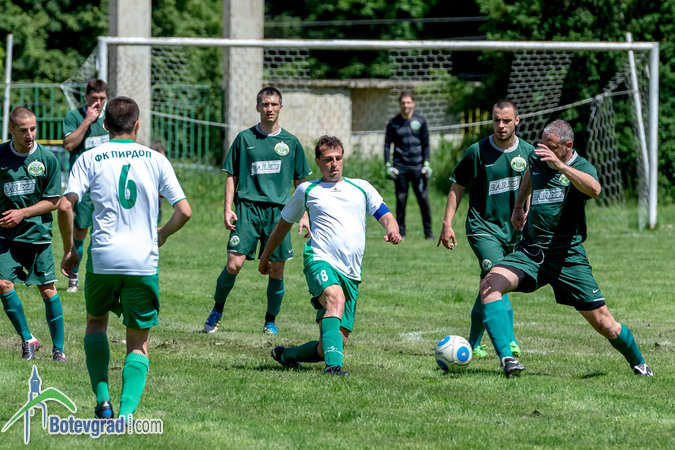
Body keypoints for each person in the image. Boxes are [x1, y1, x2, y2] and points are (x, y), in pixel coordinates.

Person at [479, 119, 653, 378]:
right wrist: (518, 206)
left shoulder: (580, 167)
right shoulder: (538, 158)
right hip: (531, 252)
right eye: (541, 146)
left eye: (550, 148)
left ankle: (640, 364)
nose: (543, 151)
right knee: (490, 284)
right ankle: (507, 358)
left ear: (567, 146)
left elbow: (595, 189)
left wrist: (560, 166)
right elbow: (529, 173)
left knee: (605, 325)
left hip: (567, 258)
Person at [58, 96, 192, 419]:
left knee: (96, 323)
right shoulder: (156, 159)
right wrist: (162, 234)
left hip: (103, 257)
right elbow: (184, 211)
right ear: (137, 125)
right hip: (142, 260)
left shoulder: (90, 157)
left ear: (105, 124)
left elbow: (64, 206)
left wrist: (70, 249)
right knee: (137, 340)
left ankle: (103, 400)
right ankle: (127, 414)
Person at [260, 135, 401, 375]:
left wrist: (392, 230)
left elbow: (385, 215)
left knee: (331, 345)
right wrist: (265, 257)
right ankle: (333, 369)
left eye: (338, 158)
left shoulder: (361, 188)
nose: (334, 164)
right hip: (319, 259)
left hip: (351, 272)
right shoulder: (307, 190)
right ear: (317, 161)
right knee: (335, 299)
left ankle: (287, 354)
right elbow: (282, 226)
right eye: (328, 159)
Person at [203, 87, 311, 335]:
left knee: (277, 269)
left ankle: (270, 322)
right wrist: (227, 208)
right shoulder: (244, 139)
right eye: (265, 104)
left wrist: (304, 214)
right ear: (258, 107)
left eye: (274, 104)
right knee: (234, 264)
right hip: (248, 209)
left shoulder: (291, 142)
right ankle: (217, 310)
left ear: (281, 108)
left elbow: (301, 182)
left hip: (279, 213)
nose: (269, 109)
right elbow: (231, 175)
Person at [438, 99, 533, 359]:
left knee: (488, 283)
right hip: (482, 227)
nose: (501, 125)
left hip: (512, 231)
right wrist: (447, 223)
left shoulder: (528, 152)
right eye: (496, 120)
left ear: (517, 121)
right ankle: (509, 340)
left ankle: (472, 342)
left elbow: (533, 189)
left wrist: (529, 215)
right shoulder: (477, 151)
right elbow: (458, 186)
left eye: (506, 121)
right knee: (497, 276)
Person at [0, 107, 66, 362]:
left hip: (37, 235)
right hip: (6, 236)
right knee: (3, 284)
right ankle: (28, 339)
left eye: (33, 129)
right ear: (11, 130)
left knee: (47, 290)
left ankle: (58, 350)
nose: (29, 135)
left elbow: (53, 201)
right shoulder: (1, 155)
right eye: (23, 130)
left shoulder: (47, 158)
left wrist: (23, 213)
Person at [62, 79, 109, 293]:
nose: (98, 102)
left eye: (102, 98)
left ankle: (105, 278)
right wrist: (88, 121)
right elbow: (69, 144)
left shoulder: (110, 119)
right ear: (86, 97)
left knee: (107, 232)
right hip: (83, 186)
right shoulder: (74, 117)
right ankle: (73, 278)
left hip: (107, 185)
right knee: (80, 231)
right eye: (94, 98)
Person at [384, 91, 434, 240]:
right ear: (400, 104)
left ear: (413, 103)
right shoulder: (393, 123)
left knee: (423, 200)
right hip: (400, 168)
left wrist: (426, 163)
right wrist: (388, 165)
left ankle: (428, 233)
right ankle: (401, 233)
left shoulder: (421, 121)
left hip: (419, 168)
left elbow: (426, 144)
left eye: (408, 102)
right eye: (403, 103)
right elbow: (387, 145)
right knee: (401, 200)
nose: (406, 105)